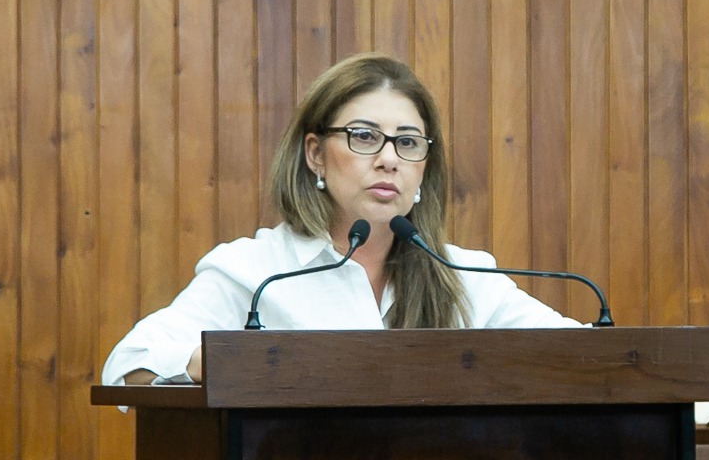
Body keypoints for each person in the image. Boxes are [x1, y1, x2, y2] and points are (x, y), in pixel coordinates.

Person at [101, 53, 584, 386]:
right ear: (315, 155)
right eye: (365, 136)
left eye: (408, 142)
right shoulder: (256, 272)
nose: (389, 159)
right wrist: (250, 364)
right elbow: (129, 362)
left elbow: (584, 356)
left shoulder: (463, 277)